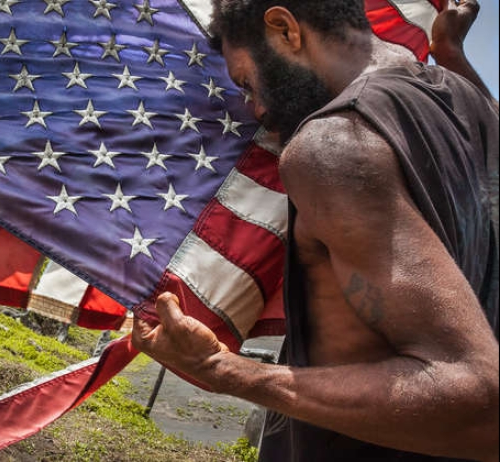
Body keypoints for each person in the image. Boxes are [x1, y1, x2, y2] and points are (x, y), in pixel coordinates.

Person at [132, 0, 499, 461]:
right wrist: (451, 54)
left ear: (286, 28)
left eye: (246, 82)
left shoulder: (333, 144)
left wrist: (219, 368)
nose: (257, 107)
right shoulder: (469, 105)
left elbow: (479, 400)